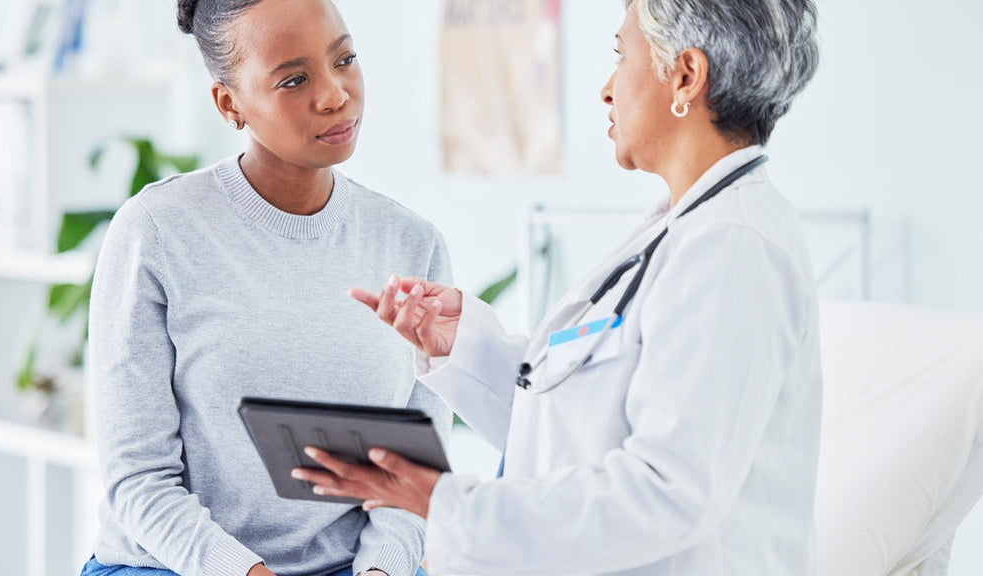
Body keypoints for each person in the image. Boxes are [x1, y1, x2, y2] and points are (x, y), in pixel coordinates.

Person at [294, 0, 823, 574]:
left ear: (686, 77)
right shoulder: (686, 231)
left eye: (621, 55)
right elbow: (579, 428)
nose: (606, 88)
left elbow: (668, 491)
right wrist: (467, 345)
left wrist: (446, 504)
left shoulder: (733, 248)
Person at [79, 1, 451, 575]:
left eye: (345, 58)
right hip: (176, 566)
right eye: (294, 79)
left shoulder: (411, 244)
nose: (334, 94)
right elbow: (139, 480)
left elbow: (412, 474)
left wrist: (380, 571)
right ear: (230, 104)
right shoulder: (157, 230)